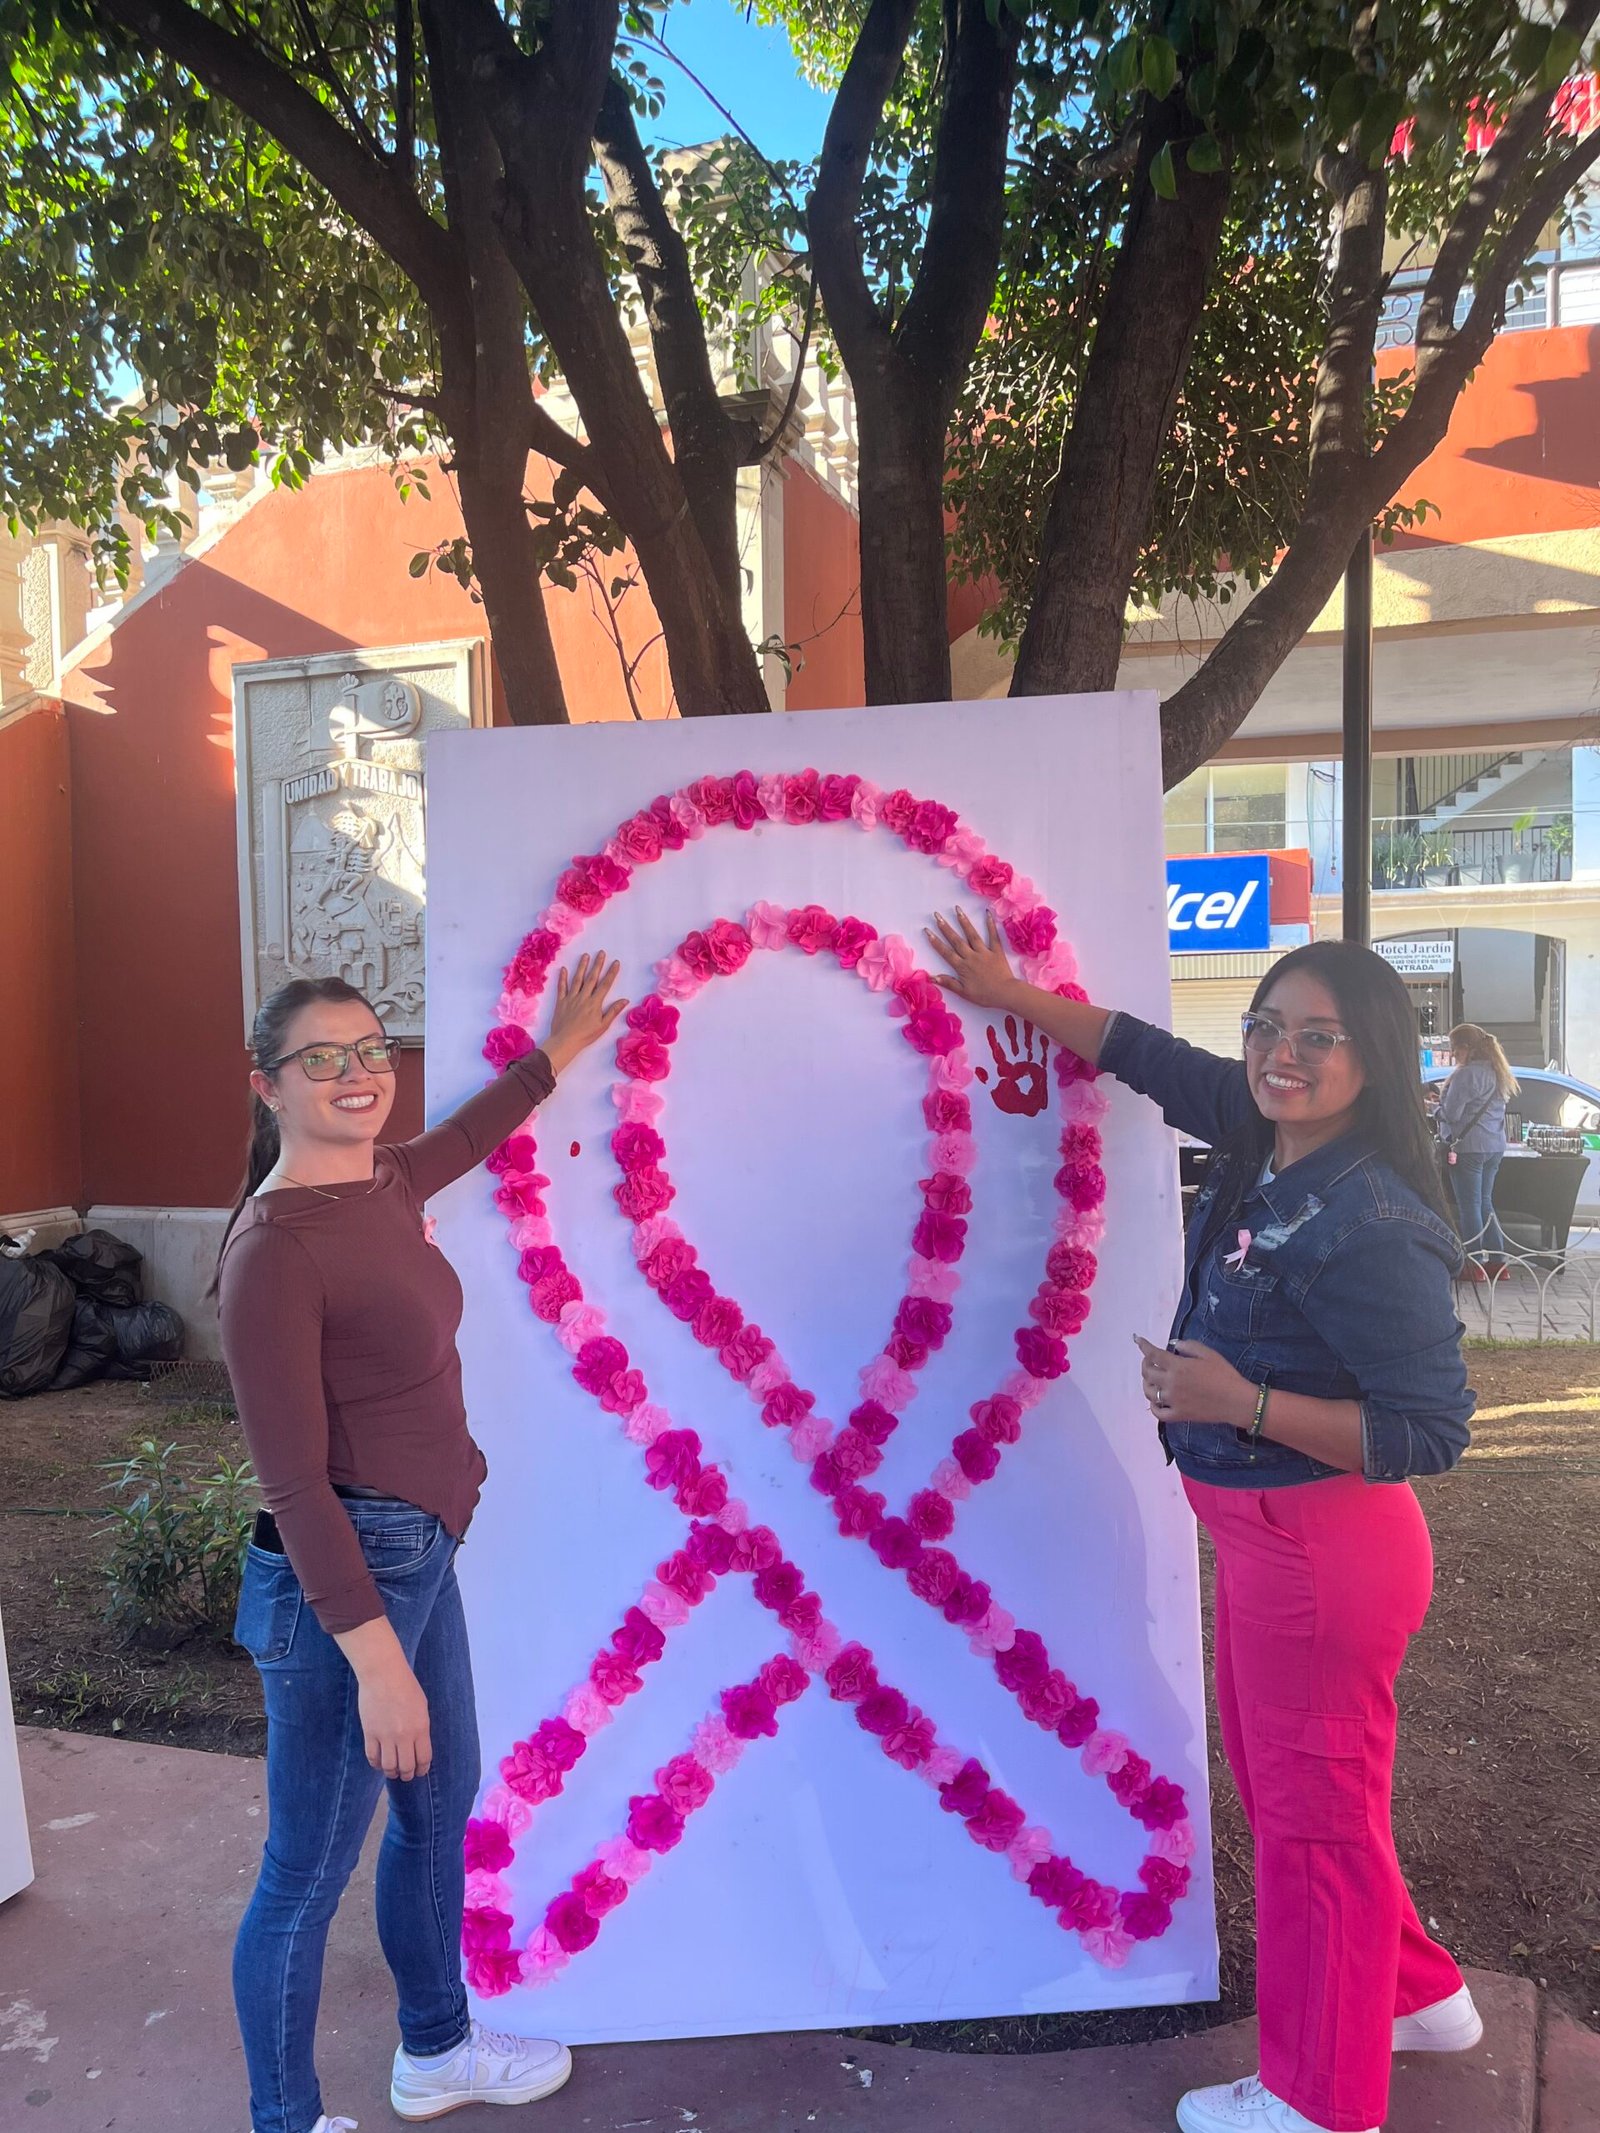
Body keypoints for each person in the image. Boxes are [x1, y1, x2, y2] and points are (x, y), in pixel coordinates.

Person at [928, 917, 1479, 2133]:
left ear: (1373, 1057)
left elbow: (1431, 1430)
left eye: (1319, 1037)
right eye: (1268, 1027)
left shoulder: (1374, 1221)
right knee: (1306, 1802)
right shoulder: (1260, 1131)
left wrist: (1243, 1402)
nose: (1284, 1054)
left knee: (1312, 1827)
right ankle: (1415, 1997)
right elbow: (1142, 1054)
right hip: (1266, 1546)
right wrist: (1008, 991)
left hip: (1324, 1553)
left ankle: (1320, 2101)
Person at [216, 956, 626, 2133]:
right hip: (344, 1582)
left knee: (439, 1811)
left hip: (418, 1552)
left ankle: (437, 2051)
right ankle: (285, 2119)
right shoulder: (273, 1251)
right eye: (321, 1059)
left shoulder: (382, 1182)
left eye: (368, 1051)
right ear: (267, 1084)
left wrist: (555, 1051)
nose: (355, 1075)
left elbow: (465, 1136)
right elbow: (293, 1483)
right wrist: (376, 1664)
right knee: (304, 1871)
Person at [1437, 1023, 1517, 1279]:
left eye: (1454, 1049)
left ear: (1467, 1048)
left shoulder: (1466, 1075)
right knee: (1484, 1202)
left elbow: (1451, 1114)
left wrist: (1432, 1108)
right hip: (1494, 1146)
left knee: (1469, 1205)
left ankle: (1473, 1263)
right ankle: (1498, 1262)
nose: (1453, 1054)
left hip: (1468, 1147)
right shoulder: (1498, 1071)